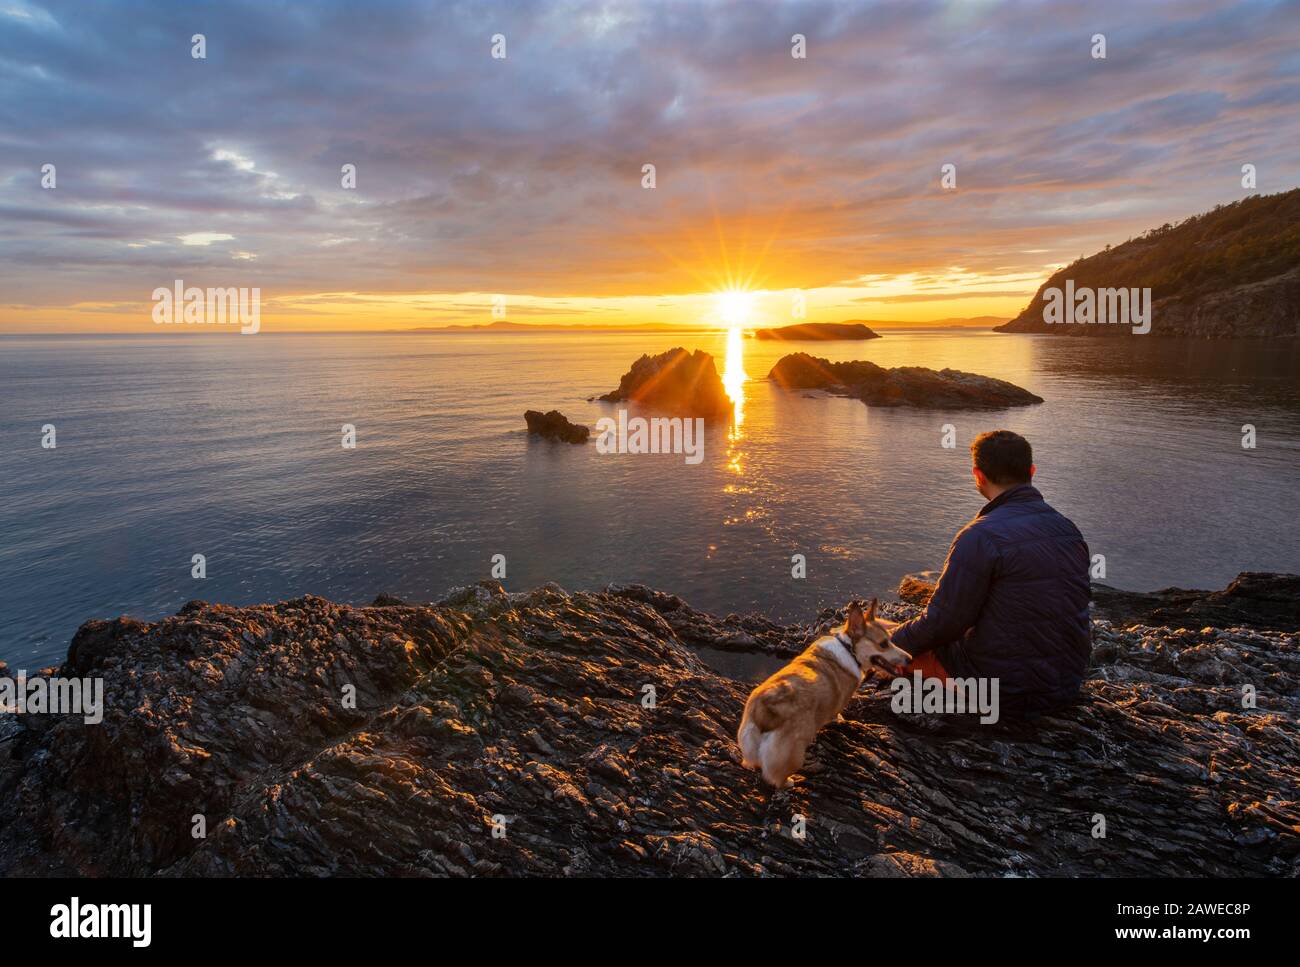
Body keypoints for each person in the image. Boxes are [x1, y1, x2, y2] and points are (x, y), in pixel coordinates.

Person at [891, 430, 1091, 716]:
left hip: (1006, 694)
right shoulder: (1068, 530)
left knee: (879, 644)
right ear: (1031, 471)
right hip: (1066, 683)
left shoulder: (980, 536)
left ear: (978, 475)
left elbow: (944, 623)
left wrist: (891, 645)